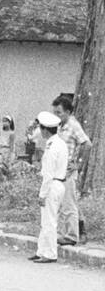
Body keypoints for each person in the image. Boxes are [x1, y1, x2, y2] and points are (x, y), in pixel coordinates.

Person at [52, 95, 92, 245]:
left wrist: (79, 164)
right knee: (63, 203)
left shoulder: (73, 125)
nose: (57, 115)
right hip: (59, 170)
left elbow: (87, 144)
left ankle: (71, 236)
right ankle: (65, 232)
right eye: (55, 112)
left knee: (69, 204)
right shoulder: (59, 126)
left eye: (59, 112)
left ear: (68, 112)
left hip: (68, 170)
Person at [33, 111, 68, 264]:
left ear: (45, 130)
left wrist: (42, 194)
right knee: (46, 220)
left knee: (49, 221)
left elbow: (48, 174)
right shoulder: (60, 143)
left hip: (52, 184)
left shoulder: (52, 147)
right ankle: (41, 250)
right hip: (59, 183)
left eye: (41, 129)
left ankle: (50, 253)